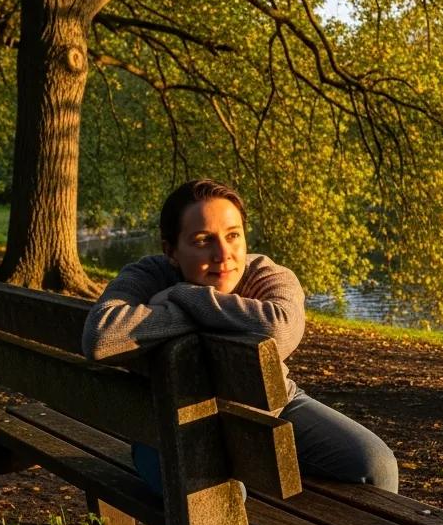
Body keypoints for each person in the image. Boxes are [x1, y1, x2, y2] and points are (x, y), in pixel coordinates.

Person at [81, 178, 398, 496]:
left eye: (233, 236)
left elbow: (279, 329)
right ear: (171, 251)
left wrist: (187, 296)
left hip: (270, 410)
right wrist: (211, 312)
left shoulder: (265, 275)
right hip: (167, 431)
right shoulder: (148, 275)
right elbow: (101, 336)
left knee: (376, 465)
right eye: (203, 240)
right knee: (222, 498)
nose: (223, 254)